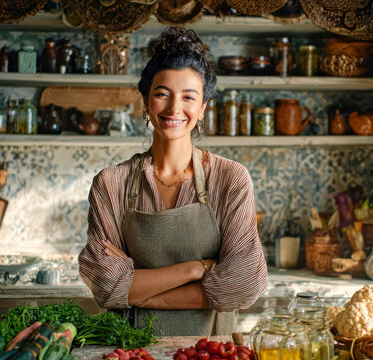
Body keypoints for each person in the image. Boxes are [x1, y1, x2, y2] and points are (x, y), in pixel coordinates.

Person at [78, 27, 268, 336]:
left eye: (188, 97)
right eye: (162, 94)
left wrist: (137, 291)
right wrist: (197, 269)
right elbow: (106, 286)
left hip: (210, 353)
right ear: (146, 101)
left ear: (203, 107)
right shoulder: (111, 183)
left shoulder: (230, 178)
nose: (174, 108)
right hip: (133, 352)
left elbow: (242, 284)